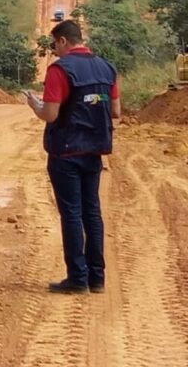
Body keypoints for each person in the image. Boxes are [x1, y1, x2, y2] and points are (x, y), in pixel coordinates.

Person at [25, 20, 121, 294]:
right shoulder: (107, 68)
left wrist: (35, 106)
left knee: (71, 214)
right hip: (94, 150)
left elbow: (51, 115)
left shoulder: (60, 70)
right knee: (92, 212)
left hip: (66, 152)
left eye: (55, 45)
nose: (55, 51)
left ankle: (77, 278)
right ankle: (97, 278)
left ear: (64, 41)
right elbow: (115, 111)